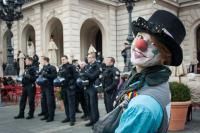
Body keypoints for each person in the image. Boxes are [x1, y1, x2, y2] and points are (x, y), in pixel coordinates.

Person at [115, 10, 186, 133]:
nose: (139, 44)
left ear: (166, 57)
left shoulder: (142, 108)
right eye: (140, 37)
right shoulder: (150, 82)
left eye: (153, 43)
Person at [58, 55, 79, 126]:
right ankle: (68, 117)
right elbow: (59, 76)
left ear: (67, 59)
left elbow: (76, 76)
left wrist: (72, 83)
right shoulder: (61, 67)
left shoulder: (71, 66)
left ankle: (72, 119)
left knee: (71, 104)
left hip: (70, 87)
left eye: (64, 59)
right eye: (62, 59)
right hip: (63, 87)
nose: (62, 61)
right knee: (66, 103)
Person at [83, 53, 101, 127]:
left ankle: (96, 121)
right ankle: (91, 120)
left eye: (90, 57)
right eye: (88, 57)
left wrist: (85, 74)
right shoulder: (87, 66)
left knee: (93, 105)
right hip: (86, 87)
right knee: (88, 105)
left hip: (93, 87)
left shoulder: (97, 66)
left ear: (94, 58)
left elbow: (93, 76)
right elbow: (83, 75)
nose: (88, 59)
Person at [39, 57, 57, 122]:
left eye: (42, 61)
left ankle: (51, 116)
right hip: (43, 86)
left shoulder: (52, 67)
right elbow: (40, 74)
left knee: (50, 102)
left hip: (49, 87)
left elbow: (54, 76)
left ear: (45, 61)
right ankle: (46, 115)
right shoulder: (43, 68)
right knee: (44, 102)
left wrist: (46, 75)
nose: (41, 62)